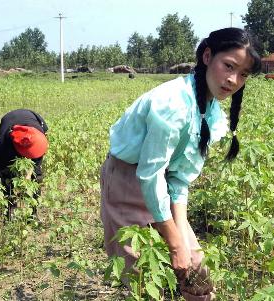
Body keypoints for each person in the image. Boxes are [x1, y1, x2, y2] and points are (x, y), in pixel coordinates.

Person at [100, 27, 261, 300]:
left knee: (196, 270)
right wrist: (174, 245)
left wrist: (181, 238)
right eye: (229, 66)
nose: (233, 80)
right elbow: (150, 175)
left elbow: (178, 179)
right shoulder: (171, 104)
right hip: (127, 182)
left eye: (243, 73)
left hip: (161, 181)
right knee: (143, 276)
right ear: (208, 56)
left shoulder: (210, 112)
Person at [0, 109, 49, 219]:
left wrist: (29, 174)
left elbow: (37, 159)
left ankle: (33, 213)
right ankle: (10, 212)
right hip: (9, 120)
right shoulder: (4, 143)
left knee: (37, 176)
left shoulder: (39, 136)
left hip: (33, 118)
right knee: (7, 175)